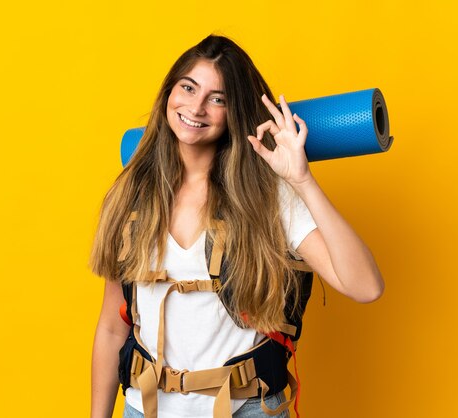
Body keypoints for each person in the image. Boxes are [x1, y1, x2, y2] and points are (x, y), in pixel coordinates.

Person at [88, 34, 384, 418]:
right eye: (188, 87)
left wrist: (302, 181)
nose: (196, 107)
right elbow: (113, 328)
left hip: (245, 409)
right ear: (168, 93)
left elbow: (365, 286)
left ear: (235, 111)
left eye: (218, 98)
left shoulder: (266, 194)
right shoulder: (132, 194)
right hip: (145, 408)